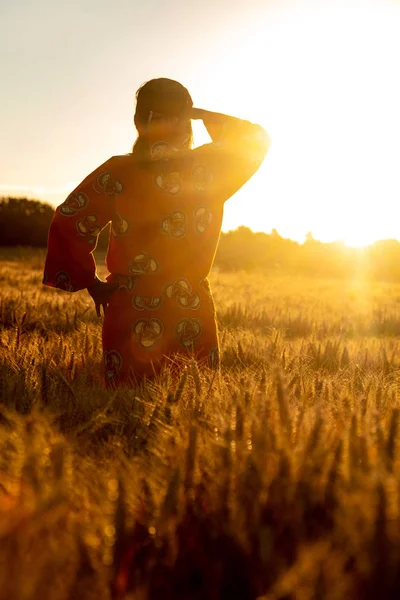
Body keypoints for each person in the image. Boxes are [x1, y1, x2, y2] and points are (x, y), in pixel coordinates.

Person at [43, 78, 270, 384]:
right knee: (194, 411)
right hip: (190, 311)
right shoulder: (209, 168)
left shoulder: (119, 172)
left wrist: (91, 282)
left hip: (129, 312)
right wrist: (201, 115)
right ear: (186, 122)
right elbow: (255, 139)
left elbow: (68, 220)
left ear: (138, 122)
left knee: (122, 416)